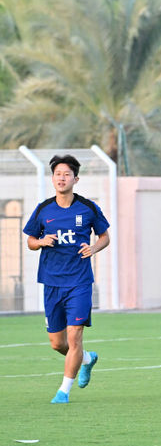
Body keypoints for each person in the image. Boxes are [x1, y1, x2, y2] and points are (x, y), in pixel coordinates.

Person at [24, 155, 111, 404]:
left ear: (75, 179)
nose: (61, 178)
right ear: (52, 179)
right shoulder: (43, 209)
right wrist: (40, 241)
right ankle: (86, 358)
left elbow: (105, 236)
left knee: (75, 337)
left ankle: (63, 391)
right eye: (58, 174)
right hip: (51, 282)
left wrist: (94, 248)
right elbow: (30, 240)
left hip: (80, 282)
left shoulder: (88, 208)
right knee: (57, 343)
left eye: (66, 174)